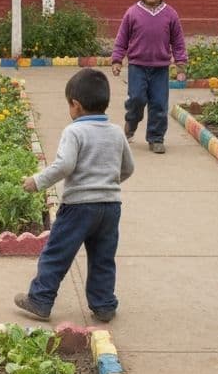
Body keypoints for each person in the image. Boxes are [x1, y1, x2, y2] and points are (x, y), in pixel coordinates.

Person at [14, 68, 135, 324]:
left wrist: (37, 182)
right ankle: (103, 305)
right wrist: (107, 185)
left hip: (79, 207)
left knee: (57, 253)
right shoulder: (116, 132)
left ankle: (40, 300)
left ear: (76, 105)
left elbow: (64, 165)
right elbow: (128, 168)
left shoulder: (74, 132)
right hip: (110, 206)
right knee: (103, 257)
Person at [110, 0, 188, 153]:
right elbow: (122, 39)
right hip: (137, 66)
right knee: (136, 99)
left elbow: (178, 42)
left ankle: (156, 137)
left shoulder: (171, 14)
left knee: (159, 104)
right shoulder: (132, 13)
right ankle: (131, 122)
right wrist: (117, 60)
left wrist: (181, 65)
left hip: (160, 68)